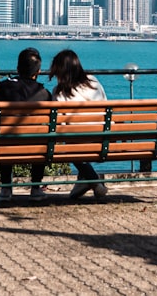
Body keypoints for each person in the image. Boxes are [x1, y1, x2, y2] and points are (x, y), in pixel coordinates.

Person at [0, 47, 51, 202]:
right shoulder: (44, 94)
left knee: (5, 137)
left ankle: (6, 188)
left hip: (5, 147)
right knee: (41, 139)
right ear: (38, 72)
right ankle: (36, 187)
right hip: (37, 148)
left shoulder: (3, 87)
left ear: (17, 69)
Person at [48, 49, 108, 200]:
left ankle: (94, 182)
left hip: (77, 143)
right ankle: (86, 179)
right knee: (74, 142)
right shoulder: (94, 82)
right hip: (102, 139)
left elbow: (57, 124)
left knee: (69, 145)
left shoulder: (59, 92)